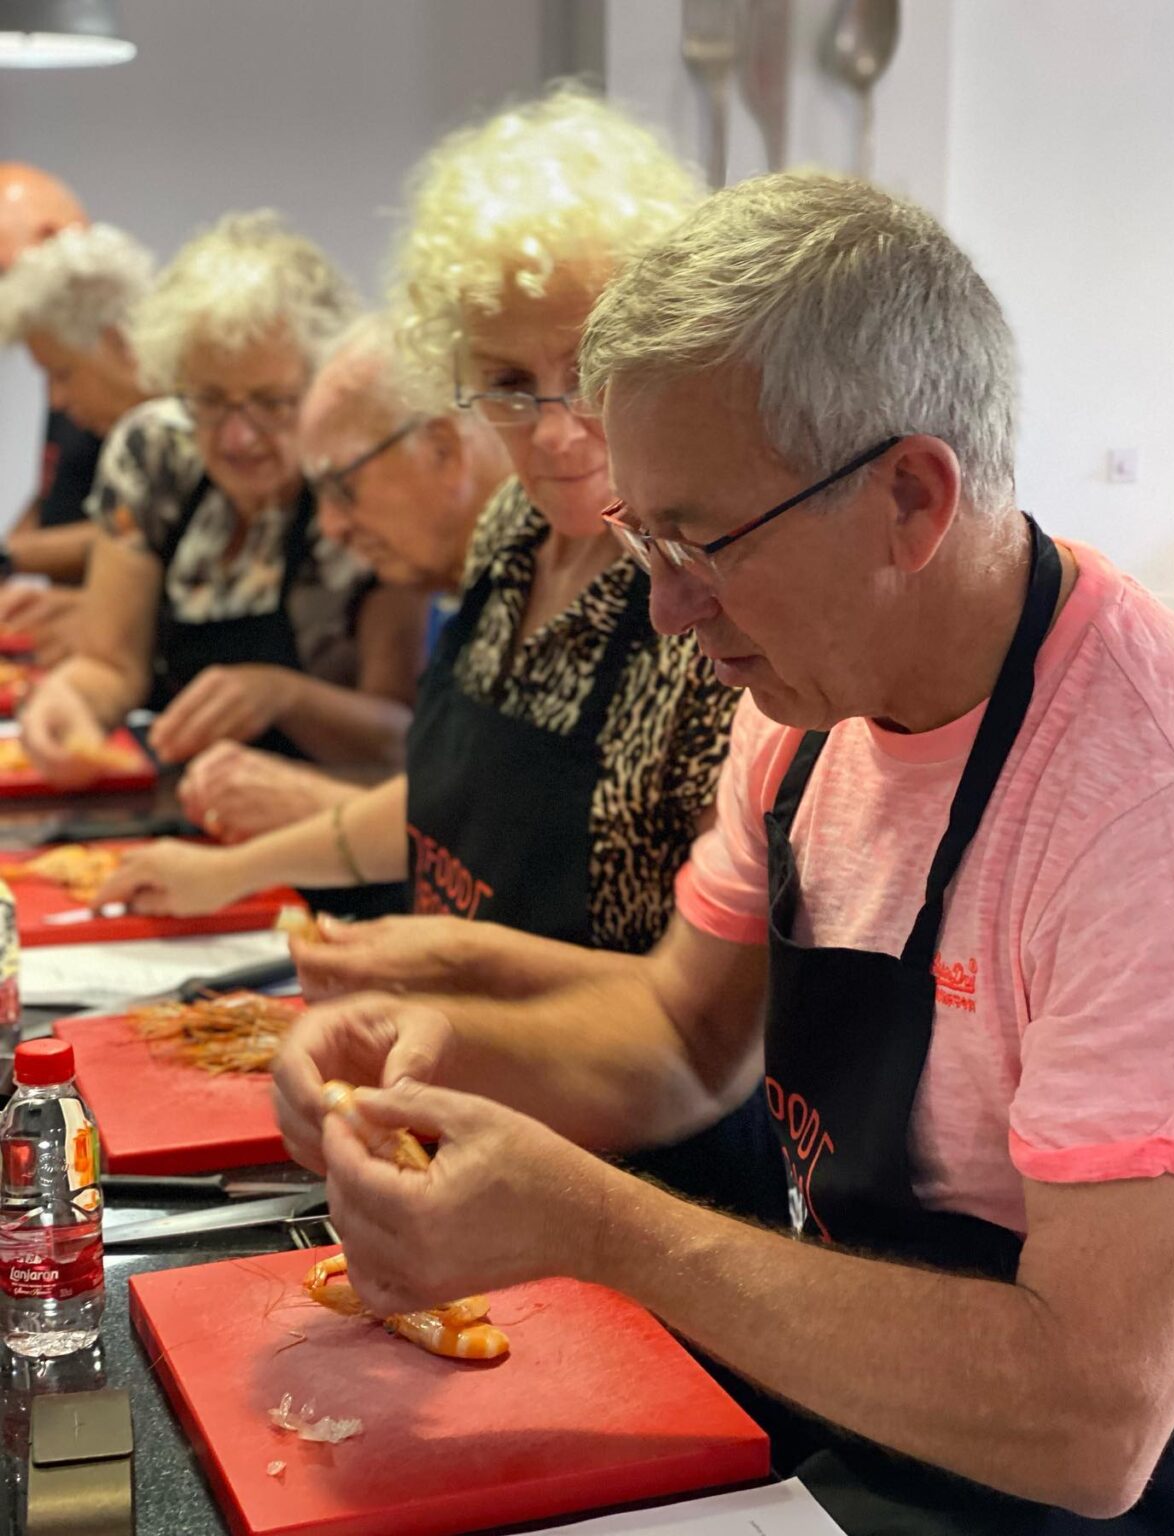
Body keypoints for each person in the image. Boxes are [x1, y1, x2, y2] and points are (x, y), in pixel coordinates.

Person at [272, 171, 1174, 1535]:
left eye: (703, 540)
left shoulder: (1154, 802)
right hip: (855, 1439)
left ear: (910, 495)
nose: (666, 610)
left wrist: (599, 1228)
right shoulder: (804, 703)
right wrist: (427, 1056)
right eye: (643, 536)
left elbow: (1099, 1415)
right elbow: (681, 1035)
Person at [100, 88, 769, 1216]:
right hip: (450, 1108)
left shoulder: (713, 603)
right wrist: (238, 871)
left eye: (593, 369)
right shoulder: (511, 536)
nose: (555, 431)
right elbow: (450, 798)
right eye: (508, 384)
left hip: (645, 1181)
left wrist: (445, 987)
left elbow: (704, 1022)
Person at [20, 211, 420, 786]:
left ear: (322, 384)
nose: (238, 436)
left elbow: (397, 737)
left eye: (271, 402)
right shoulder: (155, 451)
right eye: (208, 400)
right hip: (181, 803)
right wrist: (69, 701)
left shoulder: (368, 486)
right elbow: (111, 664)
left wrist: (282, 696)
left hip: (324, 824)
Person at [175, 314, 510, 845]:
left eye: (342, 487)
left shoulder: (560, 586)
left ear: (443, 449)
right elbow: (458, 795)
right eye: (210, 403)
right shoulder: (475, 587)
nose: (330, 525)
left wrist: (316, 800)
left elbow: (521, 846)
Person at [0, 221, 154, 662]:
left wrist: (11, 556)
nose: (56, 398)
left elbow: (133, 539)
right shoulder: (105, 420)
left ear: (116, 341)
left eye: (61, 373)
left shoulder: (185, 436)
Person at [0, 164, 102, 656]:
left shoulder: (113, 352)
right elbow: (53, 493)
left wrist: (8, 556)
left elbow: (137, 532)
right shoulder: (59, 353)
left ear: (55, 238)